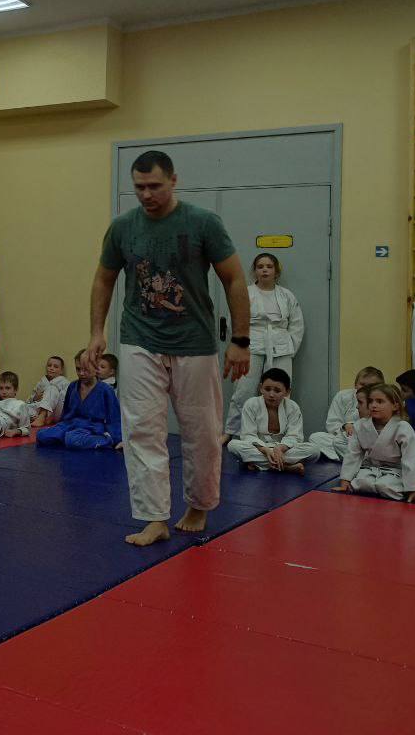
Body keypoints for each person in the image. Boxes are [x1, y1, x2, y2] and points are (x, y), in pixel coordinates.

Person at [85, 151, 251, 546]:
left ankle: (199, 505)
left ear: (174, 181)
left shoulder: (203, 223)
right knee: (142, 429)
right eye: (139, 187)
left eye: (154, 186)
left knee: (202, 431)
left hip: (195, 342)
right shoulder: (123, 227)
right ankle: (154, 518)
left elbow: (234, 279)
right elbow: (104, 279)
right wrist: (96, 332)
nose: (146, 194)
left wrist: (241, 340)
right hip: (139, 339)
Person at [222, 253, 304, 444]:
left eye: (269, 266)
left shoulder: (286, 295)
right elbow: (235, 320)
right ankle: (231, 431)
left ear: (276, 271)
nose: (265, 270)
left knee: (281, 392)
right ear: (255, 271)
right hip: (251, 344)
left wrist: (289, 347)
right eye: (260, 266)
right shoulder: (246, 293)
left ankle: (283, 435)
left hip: (280, 346)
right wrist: (240, 344)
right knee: (243, 391)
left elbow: (297, 324)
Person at [334, 384, 415, 502]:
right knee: (362, 483)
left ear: (395, 406)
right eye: (371, 401)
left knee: (385, 486)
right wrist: (345, 480)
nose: (373, 405)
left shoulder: (402, 427)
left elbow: (412, 458)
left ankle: (397, 487)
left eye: (380, 401)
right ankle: (374, 484)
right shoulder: (361, 425)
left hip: (395, 471)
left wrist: (414, 488)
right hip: (370, 468)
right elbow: (353, 454)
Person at [225, 368, 318, 474]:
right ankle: (287, 467)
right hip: (260, 448)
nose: (271, 394)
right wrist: (265, 450)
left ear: (287, 392)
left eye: (277, 391)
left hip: (283, 450)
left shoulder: (293, 407)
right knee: (233, 445)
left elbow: (294, 436)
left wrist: (280, 448)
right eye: (267, 389)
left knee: (314, 450)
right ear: (261, 388)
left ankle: (260, 464)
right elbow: (248, 435)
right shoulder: (251, 404)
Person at [36, 351, 122, 451]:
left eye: (86, 369)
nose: (81, 373)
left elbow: (114, 417)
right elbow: (66, 412)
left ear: (95, 367)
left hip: (92, 428)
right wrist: (59, 427)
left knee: (73, 439)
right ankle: (67, 438)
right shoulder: (73, 386)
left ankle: (106, 440)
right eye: (78, 369)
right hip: (71, 424)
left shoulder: (106, 390)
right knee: (42, 435)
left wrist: (116, 438)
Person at [309, 366, 385, 462]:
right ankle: (359, 459)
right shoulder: (342, 396)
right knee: (316, 437)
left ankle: (350, 458)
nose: (366, 388)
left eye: (371, 385)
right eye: (362, 384)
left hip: (370, 441)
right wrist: (345, 426)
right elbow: (332, 424)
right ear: (355, 384)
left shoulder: (382, 401)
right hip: (345, 439)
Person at [26, 356, 69, 428]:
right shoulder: (41, 382)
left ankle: (42, 416)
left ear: (61, 371)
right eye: (49, 365)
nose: (51, 368)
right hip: (40, 410)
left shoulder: (64, 382)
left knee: (52, 388)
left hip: (57, 412)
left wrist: (54, 395)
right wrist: (35, 398)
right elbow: (29, 401)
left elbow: (66, 401)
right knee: (23, 406)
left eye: (55, 367)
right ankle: (39, 417)